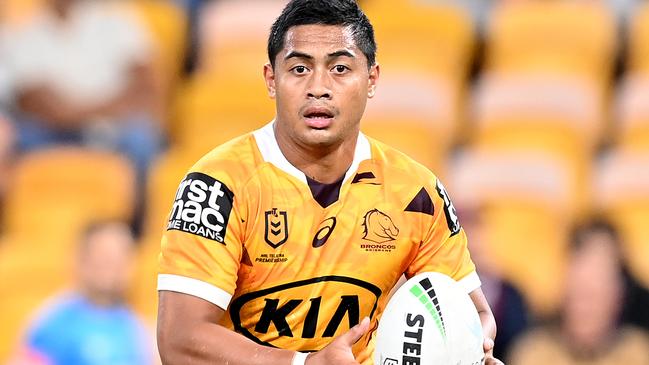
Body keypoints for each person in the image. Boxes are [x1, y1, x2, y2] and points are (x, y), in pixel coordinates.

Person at [156, 1, 503, 364]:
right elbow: (180, 340)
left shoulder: (416, 192)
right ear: (271, 80)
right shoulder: (216, 186)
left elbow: (473, 313)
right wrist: (303, 364)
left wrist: (468, 351)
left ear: (372, 79)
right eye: (299, 68)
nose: (318, 87)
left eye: (339, 68)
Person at [0, 0, 164, 181]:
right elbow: (36, 102)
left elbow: (145, 84)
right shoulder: (23, 31)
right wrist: (94, 112)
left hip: (116, 124)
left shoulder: (116, 17)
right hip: (54, 132)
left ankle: (141, 207)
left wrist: (82, 113)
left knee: (141, 139)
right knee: (21, 137)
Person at [507, 219, 649, 365]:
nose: (584, 308)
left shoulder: (638, 354)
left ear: (618, 296)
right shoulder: (533, 354)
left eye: (593, 295)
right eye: (578, 294)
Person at [13, 221, 154, 365]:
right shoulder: (52, 322)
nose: (114, 266)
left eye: (121, 256)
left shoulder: (137, 327)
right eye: (105, 256)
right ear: (82, 260)